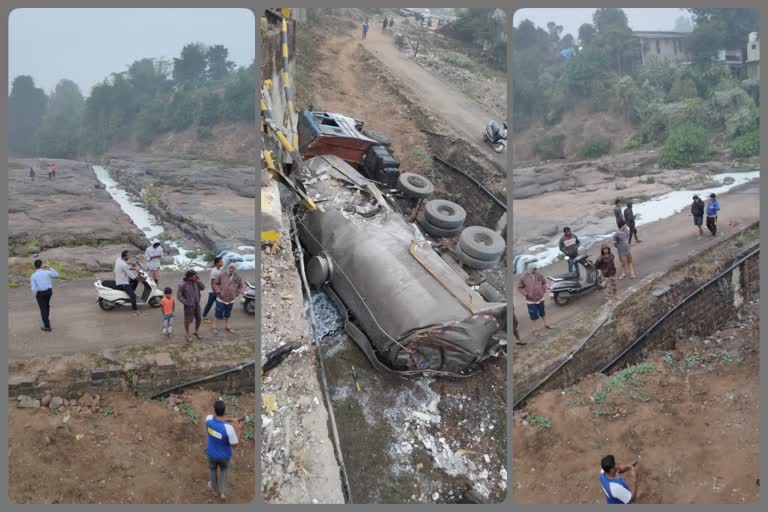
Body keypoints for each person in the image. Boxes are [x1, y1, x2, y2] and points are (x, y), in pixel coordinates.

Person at [205, 399, 243, 501]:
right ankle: (222, 493)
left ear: (214, 410)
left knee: (212, 471)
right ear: (225, 411)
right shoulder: (229, 429)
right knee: (224, 472)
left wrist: (232, 419)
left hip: (211, 453)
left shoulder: (208, 420)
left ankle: (214, 491)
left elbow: (218, 419)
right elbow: (235, 445)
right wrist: (239, 429)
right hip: (224, 456)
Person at [517, 265, 551, 337]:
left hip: (540, 298)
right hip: (531, 301)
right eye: (533, 269)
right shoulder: (523, 277)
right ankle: (534, 329)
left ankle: (546, 324)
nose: (535, 271)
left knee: (542, 312)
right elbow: (519, 288)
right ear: (528, 270)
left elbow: (544, 282)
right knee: (533, 315)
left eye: (535, 269)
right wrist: (526, 294)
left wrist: (544, 289)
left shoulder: (539, 274)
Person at [212, 263, 244, 335]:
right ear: (228, 268)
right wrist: (218, 291)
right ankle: (214, 327)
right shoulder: (221, 275)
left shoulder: (237, 277)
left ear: (235, 269)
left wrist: (236, 293)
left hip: (231, 299)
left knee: (228, 314)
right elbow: (215, 283)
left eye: (233, 268)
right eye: (230, 268)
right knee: (217, 314)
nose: (231, 270)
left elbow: (241, 286)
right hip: (221, 298)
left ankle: (228, 327)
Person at [30, 259, 59, 332]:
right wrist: (49, 267)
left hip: (40, 293)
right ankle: (46, 319)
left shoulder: (33, 276)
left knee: (43, 309)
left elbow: (33, 288)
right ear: (42, 265)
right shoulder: (47, 272)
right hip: (49, 292)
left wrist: (35, 295)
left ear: (35, 266)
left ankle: (47, 326)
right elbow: (56, 275)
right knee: (46, 306)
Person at [178, 270, 205, 342]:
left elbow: (203, 288)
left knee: (199, 318)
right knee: (187, 320)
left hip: (197, 304)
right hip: (188, 306)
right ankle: (187, 334)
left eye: (196, 275)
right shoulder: (182, 284)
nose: (196, 277)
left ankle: (196, 331)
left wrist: (199, 281)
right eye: (194, 276)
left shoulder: (196, 282)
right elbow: (179, 296)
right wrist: (187, 302)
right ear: (189, 277)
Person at [115, 250, 140, 316]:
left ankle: (131, 292)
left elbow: (126, 268)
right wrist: (139, 279)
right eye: (128, 256)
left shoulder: (119, 259)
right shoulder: (124, 264)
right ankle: (135, 311)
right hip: (122, 282)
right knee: (133, 296)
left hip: (120, 279)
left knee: (135, 281)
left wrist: (134, 268)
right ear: (124, 256)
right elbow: (131, 275)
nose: (129, 257)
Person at [203, 256, 225, 323]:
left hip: (217, 290)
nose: (222, 263)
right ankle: (203, 316)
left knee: (220, 303)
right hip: (213, 291)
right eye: (221, 262)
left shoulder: (219, 270)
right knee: (210, 304)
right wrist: (215, 292)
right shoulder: (214, 271)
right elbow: (212, 283)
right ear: (217, 263)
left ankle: (220, 315)